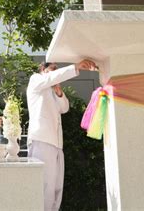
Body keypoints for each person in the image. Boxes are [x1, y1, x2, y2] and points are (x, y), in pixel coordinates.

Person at [27, 59, 97, 211]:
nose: (55, 72)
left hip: (57, 143)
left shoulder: (52, 88)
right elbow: (50, 78)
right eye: (52, 69)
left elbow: (64, 108)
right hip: (42, 139)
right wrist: (76, 67)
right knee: (44, 184)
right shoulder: (36, 79)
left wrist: (58, 91)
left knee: (56, 186)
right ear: (43, 69)